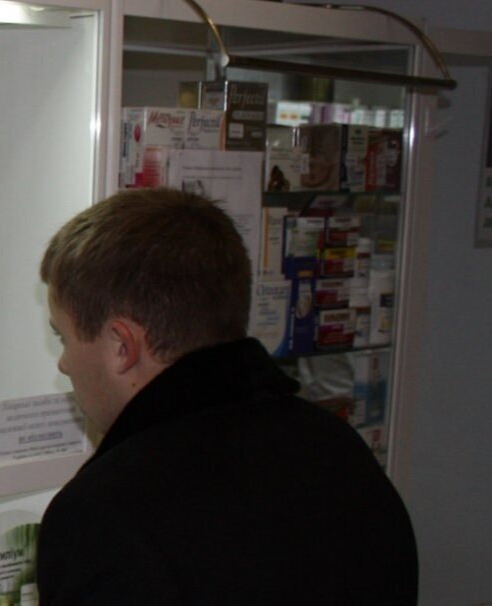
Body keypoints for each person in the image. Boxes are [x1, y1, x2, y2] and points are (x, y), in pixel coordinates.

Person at [35, 188, 417, 604]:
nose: (64, 364)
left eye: (63, 337)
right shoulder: (337, 447)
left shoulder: (106, 513)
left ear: (121, 345)